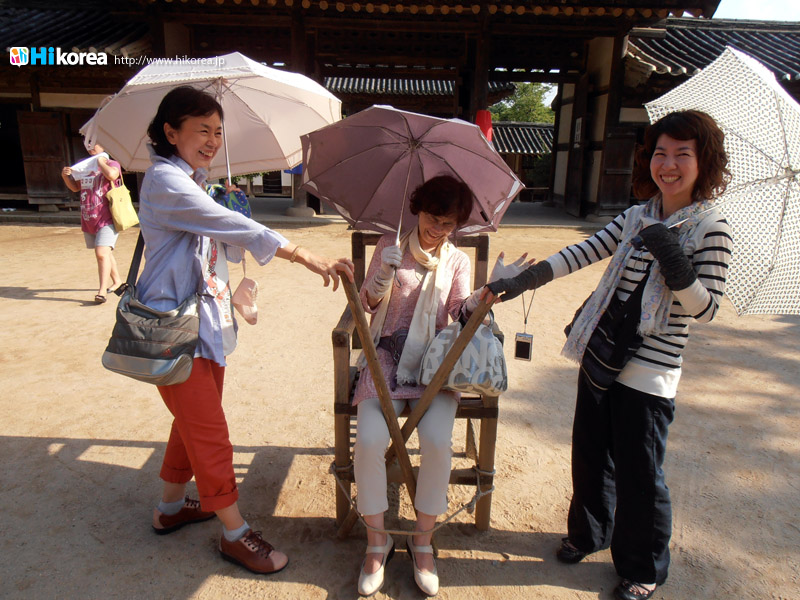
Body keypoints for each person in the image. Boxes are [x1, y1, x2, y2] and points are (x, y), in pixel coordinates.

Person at [488, 110, 733, 600]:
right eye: (661, 152)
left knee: (641, 475)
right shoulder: (637, 214)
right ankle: (588, 533)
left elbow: (706, 310)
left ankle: (643, 569)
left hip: (651, 369)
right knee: (591, 453)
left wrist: (675, 261)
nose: (669, 164)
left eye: (683, 154)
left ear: (704, 162)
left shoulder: (712, 227)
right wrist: (519, 283)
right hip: (602, 351)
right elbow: (584, 251)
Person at [137, 86, 354, 575]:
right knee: (210, 431)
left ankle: (169, 509)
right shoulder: (166, 181)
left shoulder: (193, 182)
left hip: (203, 325)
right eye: (201, 130)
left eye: (218, 131)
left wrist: (231, 206)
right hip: (175, 330)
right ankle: (234, 533)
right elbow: (224, 225)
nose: (213, 140)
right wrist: (302, 253)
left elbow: (221, 243)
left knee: (192, 420)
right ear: (171, 133)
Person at [353, 174, 499, 597]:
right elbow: (366, 304)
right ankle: (376, 543)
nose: (438, 231)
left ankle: (422, 542)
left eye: (448, 225)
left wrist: (484, 297)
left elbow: (457, 311)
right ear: (417, 208)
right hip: (384, 359)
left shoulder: (455, 260)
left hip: (435, 365)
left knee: (437, 442)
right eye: (434, 219)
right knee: (369, 440)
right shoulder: (389, 244)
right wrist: (383, 274)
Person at [61, 143, 123, 303]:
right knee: (106, 253)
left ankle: (101, 291)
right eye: (87, 141)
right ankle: (117, 282)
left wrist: (101, 161)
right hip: (89, 216)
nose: (90, 145)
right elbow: (75, 188)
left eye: (94, 142)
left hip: (107, 216)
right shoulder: (84, 166)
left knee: (101, 253)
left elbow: (112, 175)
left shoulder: (111, 163)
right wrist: (65, 177)